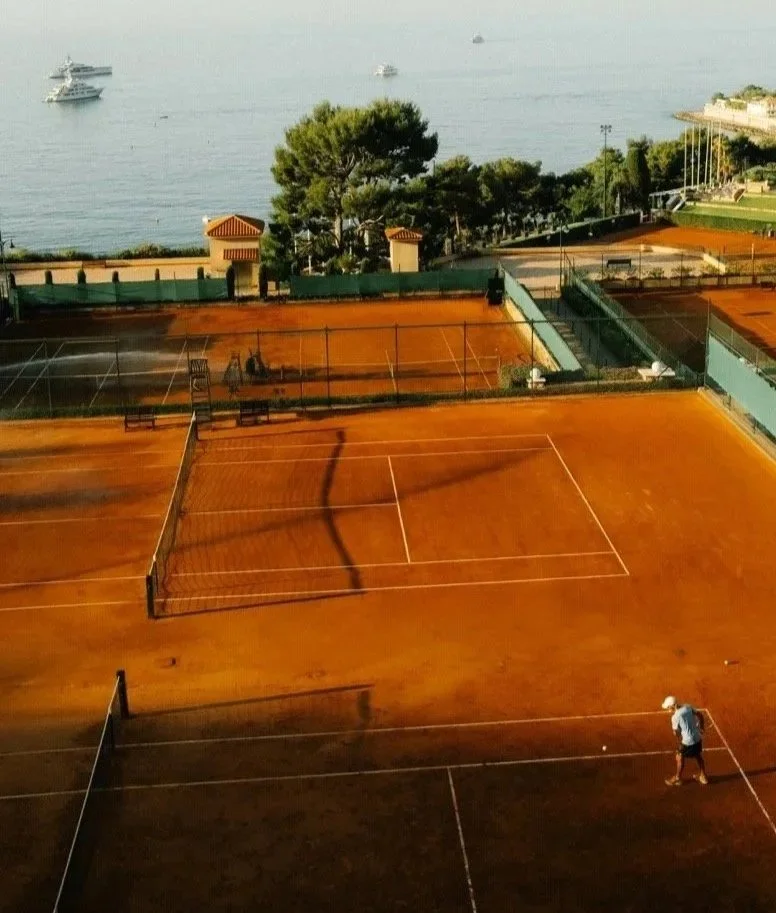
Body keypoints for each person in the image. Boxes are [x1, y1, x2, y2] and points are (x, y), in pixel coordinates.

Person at [662, 696, 709, 786]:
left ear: (673, 705)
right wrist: (702, 727)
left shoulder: (675, 717)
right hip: (697, 737)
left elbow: (677, 734)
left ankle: (677, 778)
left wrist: (675, 732)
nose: (668, 709)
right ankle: (703, 776)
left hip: (687, 741)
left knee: (679, 756)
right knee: (698, 755)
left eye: (668, 707)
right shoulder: (688, 707)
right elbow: (700, 715)